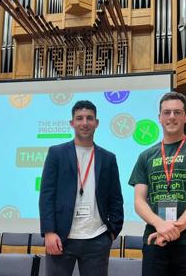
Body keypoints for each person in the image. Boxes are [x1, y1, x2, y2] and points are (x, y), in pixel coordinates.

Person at [128, 91, 186, 276]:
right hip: (155, 239)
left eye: (177, 112)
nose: (171, 117)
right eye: (166, 112)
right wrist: (160, 225)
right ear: (159, 118)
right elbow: (138, 201)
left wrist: (174, 228)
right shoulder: (145, 156)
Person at [39, 100, 124, 276]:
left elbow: (116, 198)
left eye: (89, 118)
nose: (84, 123)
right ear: (72, 123)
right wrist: (48, 232)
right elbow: (47, 195)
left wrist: (112, 232)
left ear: (97, 123)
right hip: (61, 239)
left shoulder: (108, 158)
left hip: (97, 239)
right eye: (79, 118)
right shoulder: (56, 153)